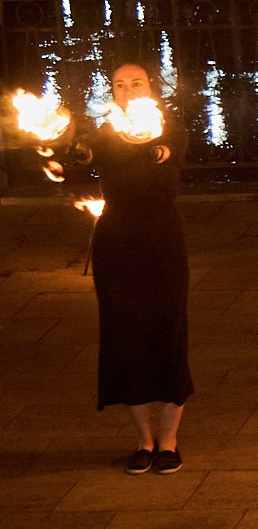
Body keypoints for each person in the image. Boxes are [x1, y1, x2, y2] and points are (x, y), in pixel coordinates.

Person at [71, 66, 195, 475]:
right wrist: (74, 148)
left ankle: (170, 441)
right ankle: (144, 440)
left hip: (161, 241)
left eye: (135, 83)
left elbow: (166, 151)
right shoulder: (104, 132)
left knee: (168, 331)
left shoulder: (168, 127)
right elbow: (84, 154)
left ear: (150, 88)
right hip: (116, 242)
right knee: (124, 336)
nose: (127, 91)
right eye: (119, 86)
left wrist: (151, 148)